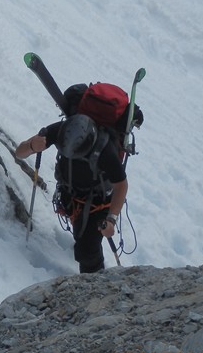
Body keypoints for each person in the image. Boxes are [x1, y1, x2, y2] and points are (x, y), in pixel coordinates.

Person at [16, 114, 127, 273]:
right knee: (81, 233)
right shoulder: (60, 130)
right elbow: (19, 152)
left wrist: (111, 219)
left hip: (99, 202)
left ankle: (94, 285)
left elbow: (121, 186)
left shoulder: (106, 152)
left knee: (87, 251)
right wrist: (32, 146)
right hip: (70, 194)